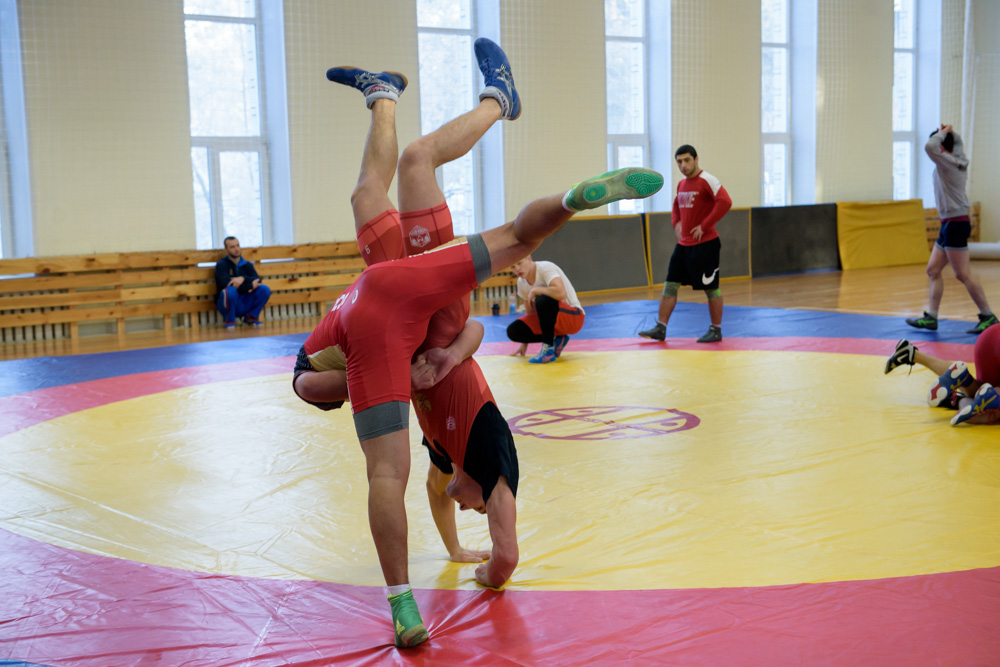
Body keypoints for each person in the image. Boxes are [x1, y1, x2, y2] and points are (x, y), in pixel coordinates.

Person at [294, 41, 664, 649]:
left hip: (414, 311)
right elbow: (492, 539)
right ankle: (484, 110)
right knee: (430, 191)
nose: (464, 508)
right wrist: (439, 360)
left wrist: (433, 364)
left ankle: (403, 99)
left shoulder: (438, 452)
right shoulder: (485, 463)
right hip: (417, 303)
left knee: (412, 176)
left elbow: (443, 491)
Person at [905, 125, 998, 335]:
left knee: (963, 274)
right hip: (950, 223)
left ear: (943, 149)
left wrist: (944, 132)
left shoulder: (947, 163)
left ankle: (988, 315)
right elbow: (949, 145)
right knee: (933, 270)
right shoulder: (956, 159)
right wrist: (949, 133)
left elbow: (931, 147)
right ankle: (932, 317)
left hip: (955, 223)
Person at [638, 144, 732, 344]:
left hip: (706, 244)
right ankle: (661, 328)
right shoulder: (681, 184)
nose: (683, 165)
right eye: (679, 161)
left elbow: (725, 202)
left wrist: (704, 225)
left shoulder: (708, 180)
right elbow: (676, 206)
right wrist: (676, 223)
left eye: (687, 160)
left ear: (696, 159)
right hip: (684, 245)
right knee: (670, 285)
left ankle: (716, 329)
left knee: (711, 288)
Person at [884, 326, 1000, 425]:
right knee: (990, 401)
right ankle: (957, 400)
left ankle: (913, 354)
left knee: (982, 391)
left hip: (990, 336)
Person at [506, 255, 585, 363]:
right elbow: (531, 315)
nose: (517, 269)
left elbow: (561, 293)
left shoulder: (545, 267)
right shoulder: (521, 282)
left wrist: (536, 290)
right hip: (554, 322)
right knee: (513, 331)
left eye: (519, 263)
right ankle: (558, 339)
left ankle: (548, 349)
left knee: (542, 298)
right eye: (512, 267)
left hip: (573, 317)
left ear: (529, 259)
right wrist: (524, 341)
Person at [213, 236, 271, 328]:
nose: (236, 249)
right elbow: (226, 284)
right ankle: (229, 319)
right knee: (231, 290)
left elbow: (257, 280)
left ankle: (251, 317)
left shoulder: (247, 265)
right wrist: (250, 285)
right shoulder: (221, 265)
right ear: (226, 250)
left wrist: (242, 278)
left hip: (244, 301)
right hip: (227, 303)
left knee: (264, 289)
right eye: (232, 247)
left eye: (237, 245)